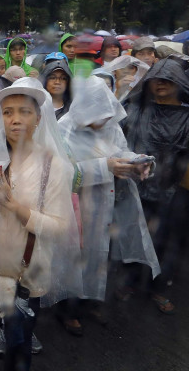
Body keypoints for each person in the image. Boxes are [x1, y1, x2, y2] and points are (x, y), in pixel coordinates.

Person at [0, 77, 82, 371]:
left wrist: (17, 208)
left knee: (18, 347)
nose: (15, 119)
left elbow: (60, 227)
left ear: (38, 118)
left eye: (24, 112)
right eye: (7, 112)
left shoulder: (54, 166)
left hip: (26, 275)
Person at [59, 76, 160, 326]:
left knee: (98, 254)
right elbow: (62, 173)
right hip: (75, 205)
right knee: (73, 255)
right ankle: (68, 309)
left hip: (105, 200)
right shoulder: (64, 128)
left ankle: (89, 300)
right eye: (98, 117)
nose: (103, 122)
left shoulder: (110, 125)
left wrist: (137, 161)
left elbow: (119, 151)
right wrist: (106, 167)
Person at [120, 58, 189, 314]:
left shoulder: (187, 115)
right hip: (137, 183)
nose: (160, 84)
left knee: (166, 239)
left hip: (173, 189)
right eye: (156, 79)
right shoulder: (137, 109)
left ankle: (158, 288)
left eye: (167, 79)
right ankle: (129, 282)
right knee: (133, 233)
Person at [39, 52, 73, 120]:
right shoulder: (35, 107)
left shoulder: (74, 109)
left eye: (63, 78)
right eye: (52, 78)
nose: (57, 82)